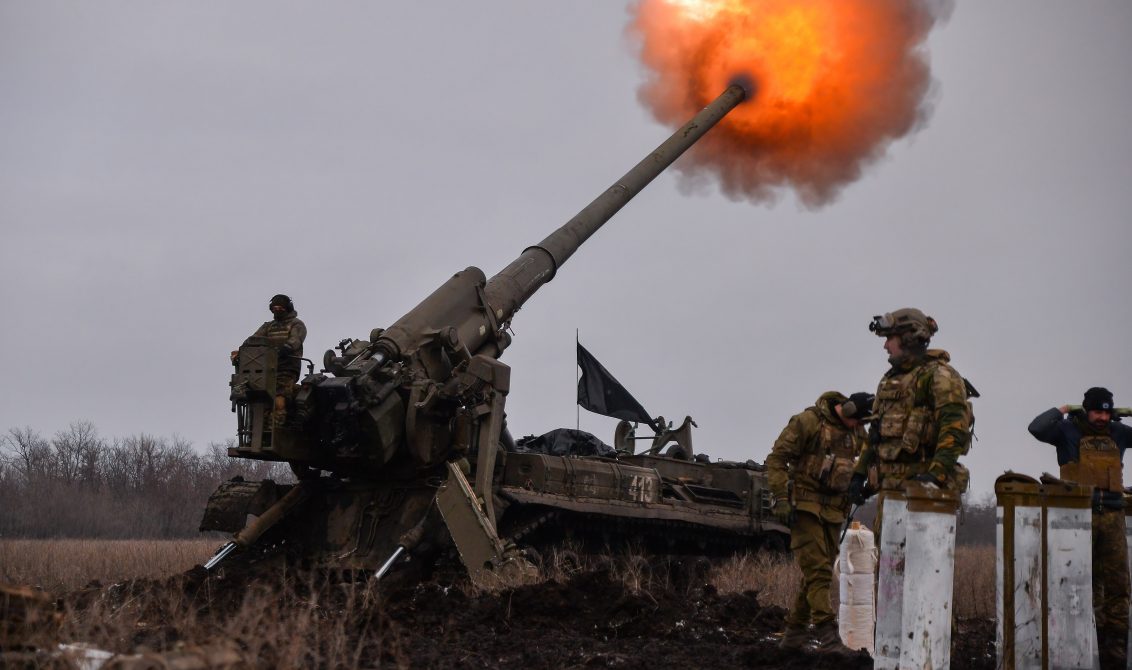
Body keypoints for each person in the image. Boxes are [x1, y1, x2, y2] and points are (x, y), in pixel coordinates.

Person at [1029, 387, 1132, 670]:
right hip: (1076, 518)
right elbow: (1036, 427)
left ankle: (1115, 660)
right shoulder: (1067, 431)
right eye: (1097, 411)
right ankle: (1075, 655)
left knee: (1117, 590)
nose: (1102, 418)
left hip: (1112, 517)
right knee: (1074, 587)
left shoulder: (1119, 434)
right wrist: (1062, 408)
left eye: (1107, 412)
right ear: (1086, 410)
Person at [766, 390, 873, 652]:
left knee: (818, 571)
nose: (859, 427)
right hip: (804, 508)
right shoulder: (808, 422)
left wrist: (864, 487)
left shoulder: (857, 433)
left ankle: (794, 634)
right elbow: (776, 459)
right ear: (846, 410)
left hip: (835, 511)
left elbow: (866, 462)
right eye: (857, 421)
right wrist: (780, 497)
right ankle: (827, 635)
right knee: (819, 571)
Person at [848, 308, 974, 505]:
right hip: (889, 493)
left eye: (890, 338)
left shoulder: (940, 376)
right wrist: (859, 474)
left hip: (923, 496)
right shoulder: (890, 380)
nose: (885, 345)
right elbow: (875, 432)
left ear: (908, 338)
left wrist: (935, 477)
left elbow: (954, 429)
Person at [232, 294, 307, 425]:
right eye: (274, 308)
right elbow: (253, 340)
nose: (277, 311)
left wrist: (284, 349)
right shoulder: (268, 326)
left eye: (280, 308)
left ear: (287, 308)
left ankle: (278, 427)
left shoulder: (296, 324)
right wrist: (241, 351)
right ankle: (263, 430)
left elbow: (295, 341)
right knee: (262, 401)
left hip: (287, 368)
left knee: (279, 398)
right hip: (266, 368)